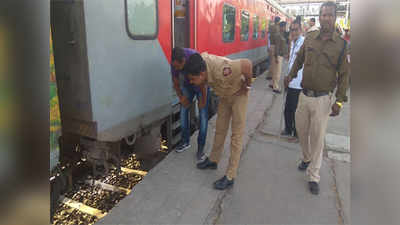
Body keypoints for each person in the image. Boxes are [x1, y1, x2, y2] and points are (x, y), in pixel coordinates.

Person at [284, 1, 349, 195]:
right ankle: (306, 158)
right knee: (302, 132)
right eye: (323, 14)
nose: (326, 18)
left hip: (323, 100)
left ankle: (314, 175)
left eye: (329, 15)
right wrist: (291, 75)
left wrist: (339, 101)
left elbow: (345, 75)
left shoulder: (342, 45)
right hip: (304, 96)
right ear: (319, 17)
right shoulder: (310, 38)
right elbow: (300, 59)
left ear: (335, 17)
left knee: (318, 139)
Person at [184, 52, 252, 190]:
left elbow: (247, 64)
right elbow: (202, 83)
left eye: (192, 79)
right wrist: (202, 101)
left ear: (202, 74)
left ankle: (230, 176)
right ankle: (213, 160)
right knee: (220, 129)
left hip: (239, 94)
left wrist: (247, 86)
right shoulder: (200, 65)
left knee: (236, 136)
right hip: (225, 96)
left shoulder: (222, 70)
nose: (191, 82)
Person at [171, 47, 209, 164]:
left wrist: (202, 100)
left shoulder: (195, 58)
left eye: (178, 67)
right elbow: (176, 82)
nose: (176, 69)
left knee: (203, 116)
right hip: (187, 86)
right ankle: (185, 141)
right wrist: (181, 97)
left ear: (184, 60)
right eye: (174, 66)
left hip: (200, 86)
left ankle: (200, 149)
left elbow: (204, 83)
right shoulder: (175, 63)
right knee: (183, 112)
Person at [281, 21, 304, 139]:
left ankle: (296, 132)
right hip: (290, 81)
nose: (293, 32)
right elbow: (291, 62)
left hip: (298, 83)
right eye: (292, 30)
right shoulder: (293, 42)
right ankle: (288, 129)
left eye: (296, 29)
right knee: (287, 108)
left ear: (301, 30)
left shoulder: (304, 43)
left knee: (296, 110)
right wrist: (287, 76)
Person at [269, 21, 288, 94]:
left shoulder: (281, 35)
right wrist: (276, 57)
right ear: (282, 27)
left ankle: (272, 83)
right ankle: (275, 87)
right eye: (285, 26)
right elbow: (277, 47)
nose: (285, 28)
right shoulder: (278, 35)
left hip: (279, 55)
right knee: (278, 72)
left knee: (274, 70)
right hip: (278, 55)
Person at [266, 16, 281, 81]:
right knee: (274, 61)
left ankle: (269, 75)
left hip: (271, 45)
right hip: (275, 46)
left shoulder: (271, 26)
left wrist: (268, 46)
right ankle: (271, 75)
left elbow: (268, 36)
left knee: (271, 61)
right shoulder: (277, 28)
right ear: (278, 21)